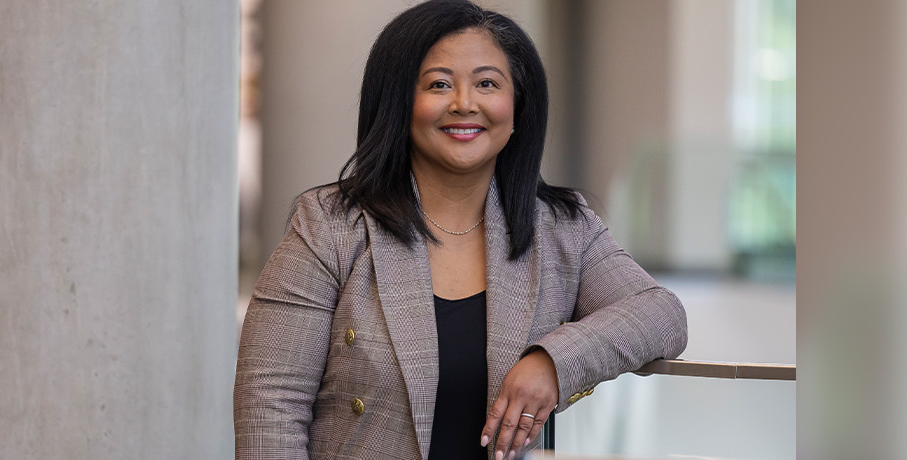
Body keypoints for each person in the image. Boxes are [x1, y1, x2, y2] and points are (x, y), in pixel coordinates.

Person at [233, 1, 688, 459]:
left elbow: (661, 315)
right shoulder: (330, 225)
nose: (464, 103)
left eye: (487, 83)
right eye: (439, 84)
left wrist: (552, 362)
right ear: (398, 103)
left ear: (518, 108)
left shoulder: (561, 229)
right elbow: (270, 405)